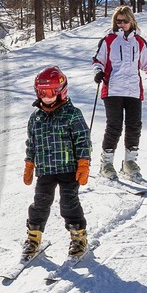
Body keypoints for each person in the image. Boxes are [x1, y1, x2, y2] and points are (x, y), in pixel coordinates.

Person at [91, 4, 147, 181]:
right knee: (115, 126)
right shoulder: (109, 40)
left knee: (134, 126)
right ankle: (106, 164)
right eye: (118, 21)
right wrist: (98, 72)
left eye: (125, 21)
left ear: (131, 21)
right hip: (112, 89)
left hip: (134, 90)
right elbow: (98, 60)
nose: (121, 24)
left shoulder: (139, 42)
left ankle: (129, 163)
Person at [22, 66, 91, 261]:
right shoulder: (35, 118)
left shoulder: (72, 114)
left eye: (51, 92)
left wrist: (84, 163)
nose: (47, 97)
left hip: (69, 169)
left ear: (61, 91)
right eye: (42, 93)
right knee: (40, 204)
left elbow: (83, 139)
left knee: (68, 204)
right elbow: (32, 143)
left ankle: (78, 237)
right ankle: (33, 237)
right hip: (45, 170)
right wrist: (29, 163)